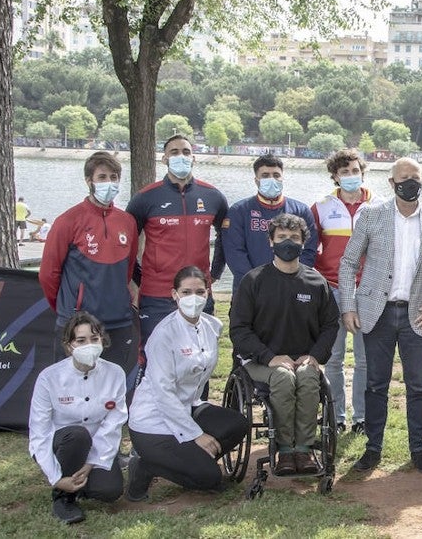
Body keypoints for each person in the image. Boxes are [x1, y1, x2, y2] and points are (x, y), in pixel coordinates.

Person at [338, 157, 422, 475]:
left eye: (416, 178)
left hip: (418, 314)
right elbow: (349, 262)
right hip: (376, 312)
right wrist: (348, 306)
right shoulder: (372, 214)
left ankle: (417, 450)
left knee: (418, 386)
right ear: (391, 183)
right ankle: (373, 448)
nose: (411, 183)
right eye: (403, 178)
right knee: (376, 385)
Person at [230, 214, 340, 476]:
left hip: (302, 358)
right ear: (270, 242)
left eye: (294, 238)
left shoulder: (316, 282)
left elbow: (330, 325)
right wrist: (269, 357)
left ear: (303, 243)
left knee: (307, 376)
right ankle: (285, 450)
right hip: (260, 361)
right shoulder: (253, 281)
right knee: (282, 377)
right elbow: (239, 330)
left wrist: (314, 356)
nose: (287, 243)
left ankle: (303, 448)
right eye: (281, 238)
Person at [126, 267, 250, 499]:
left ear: (207, 293)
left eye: (199, 291)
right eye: (186, 292)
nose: (193, 298)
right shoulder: (164, 335)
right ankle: (147, 465)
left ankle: (189, 460)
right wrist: (195, 434)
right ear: (174, 295)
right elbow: (164, 394)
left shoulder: (212, 326)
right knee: (210, 478)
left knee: (238, 424)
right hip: (153, 422)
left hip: (187, 406)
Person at [39, 151, 140, 386]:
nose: (109, 183)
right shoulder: (68, 220)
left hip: (118, 320)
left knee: (112, 384)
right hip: (77, 321)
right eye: (102, 177)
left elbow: (127, 269)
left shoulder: (127, 221)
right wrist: (68, 308)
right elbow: (48, 274)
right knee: (70, 385)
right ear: (89, 181)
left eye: (114, 177)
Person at [126, 134, 229, 344]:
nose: (180, 156)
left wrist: (215, 273)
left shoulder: (213, 196)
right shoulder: (145, 198)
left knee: (200, 361)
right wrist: (140, 278)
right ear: (164, 159)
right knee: (154, 361)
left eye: (185, 152)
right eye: (174, 152)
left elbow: (225, 236)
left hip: (199, 294)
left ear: (193, 158)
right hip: (157, 296)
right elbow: (127, 243)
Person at [29, 312, 127, 524]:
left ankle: (79, 480)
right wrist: (55, 478)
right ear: (68, 345)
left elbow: (113, 423)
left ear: (102, 340)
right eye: (81, 341)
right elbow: (39, 432)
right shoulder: (49, 378)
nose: (89, 345)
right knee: (77, 434)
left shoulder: (115, 373)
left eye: (94, 339)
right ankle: (63, 497)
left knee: (110, 491)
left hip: (96, 448)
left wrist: (92, 463)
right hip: (62, 443)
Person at [312, 148, 377, 436]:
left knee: (365, 360)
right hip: (332, 289)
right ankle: (337, 416)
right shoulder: (321, 207)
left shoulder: (380, 206)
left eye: (354, 170)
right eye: (344, 172)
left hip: (366, 291)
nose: (351, 176)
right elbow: (310, 250)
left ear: (362, 171)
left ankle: (362, 417)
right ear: (335, 177)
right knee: (334, 359)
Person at [222, 153, 318, 293]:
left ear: (282, 178)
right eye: (265, 175)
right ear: (256, 180)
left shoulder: (301, 210)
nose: (271, 179)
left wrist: (290, 278)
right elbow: (235, 253)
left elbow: (309, 251)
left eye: (276, 175)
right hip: (249, 288)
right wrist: (256, 282)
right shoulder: (239, 211)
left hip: (291, 287)